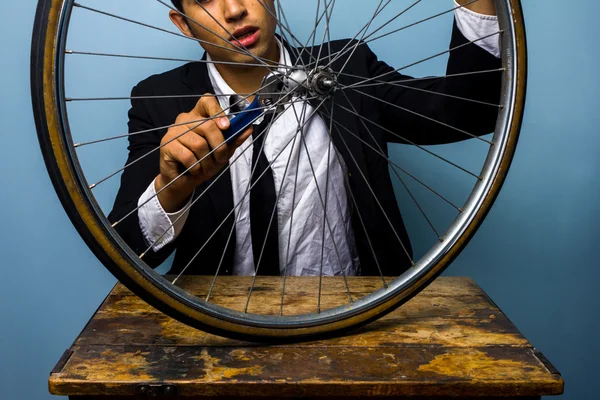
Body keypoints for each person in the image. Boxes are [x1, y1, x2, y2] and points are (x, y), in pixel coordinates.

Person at [108, 0, 502, 277]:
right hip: (216, 333)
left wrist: (475, 2)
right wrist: (171, 188)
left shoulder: (348, 67)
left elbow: (468, 112)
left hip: (356, 322)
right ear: (183, 23)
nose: (233, 10)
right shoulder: (158, 100)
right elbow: (128, 250)